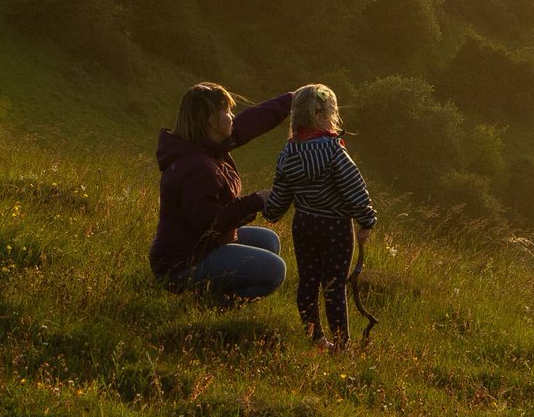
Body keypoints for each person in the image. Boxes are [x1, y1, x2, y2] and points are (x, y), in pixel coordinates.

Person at [150, 82, 293, 306]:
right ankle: (209, 302)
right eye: (226, 111)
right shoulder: (197, 167)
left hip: (198, 245)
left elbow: (250, 123)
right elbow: (209, 224)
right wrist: (256, 200)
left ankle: (214, 289)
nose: (232, 116)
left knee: (269, 241)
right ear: (211, 121)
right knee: (275, 270)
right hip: (182, 263)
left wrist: (292, 99)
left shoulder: (208, 145)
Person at [264, 83, 377, 350]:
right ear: (326, 115)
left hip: (304, 224)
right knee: (334, 287)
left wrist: (270, 213)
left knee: (308, 283)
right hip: (336, 227)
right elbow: (354, 187)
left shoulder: (288, 153)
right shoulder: (334, 152)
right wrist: (367, 219)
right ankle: (341, 346)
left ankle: (315, 338)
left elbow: (280, 194)